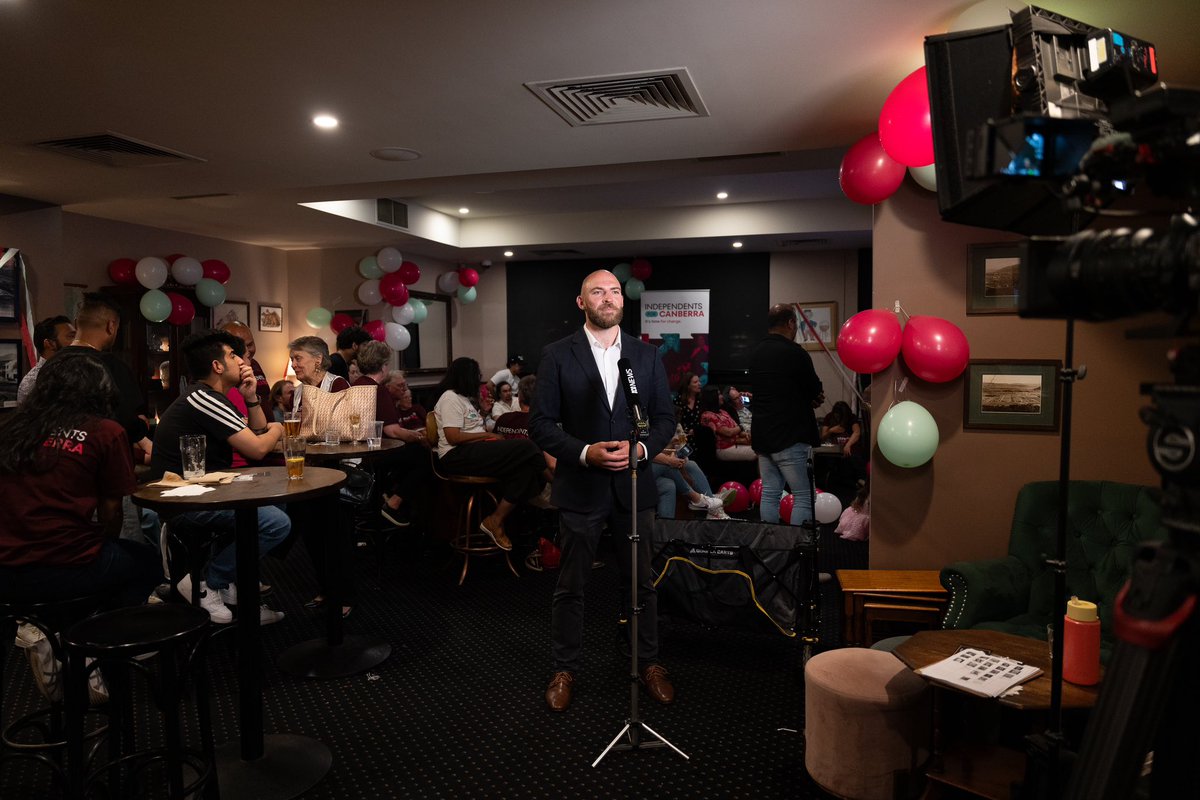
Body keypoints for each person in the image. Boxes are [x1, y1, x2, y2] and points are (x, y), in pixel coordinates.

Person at [529, 269, 676, 712]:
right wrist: (584, 452)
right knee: (571, 585)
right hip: (580, 487)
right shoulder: (557, 354)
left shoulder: (646, 355)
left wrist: (642, 450)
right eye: (598, 291)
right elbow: (541, 424)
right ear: (582, 302)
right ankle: (565, 668)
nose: (608, 297)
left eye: (614, 291)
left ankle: (648, 662)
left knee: (642, 584)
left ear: (622, 301)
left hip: (635, 487)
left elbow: (664, 419)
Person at [0, 352, 161, 701]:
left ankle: (48, 630)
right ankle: (93, 646)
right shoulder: (105, 432)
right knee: (146, 563)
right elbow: (111, 511)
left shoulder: (11, 428)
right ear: (100, 390)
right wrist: (100, 542)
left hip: (6, 570)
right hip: (66, 564)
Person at [149, 330, 288, 625]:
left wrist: (251, 398)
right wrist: (279, 428)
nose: (242, 361)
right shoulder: (203, 398)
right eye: (233, 355)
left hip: (208, 490)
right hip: (185, 501)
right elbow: (259, 447)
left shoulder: (213, 397)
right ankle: (207, 581)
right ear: (217, 366)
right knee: (276, 522)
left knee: (280, 502)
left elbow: (257, 432)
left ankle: (230, 588)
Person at [433, 357, 546, 550]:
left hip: (473, 450)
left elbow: (470, 428)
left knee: (526, 470)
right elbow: (453, 436)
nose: (480, 381)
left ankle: (495, 520)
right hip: (456, 456)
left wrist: (484, 414)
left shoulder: (464, 399)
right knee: (526, 447)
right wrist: (487, 434)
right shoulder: (449, 397)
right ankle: (553, 480)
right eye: (477, 376)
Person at [750, 304, 822, 526]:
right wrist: (812, 398)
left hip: (763, 435)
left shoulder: (756, 352)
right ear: (791, 323)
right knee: (804, 496)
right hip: (791, 435)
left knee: (770, 493)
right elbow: (814, 389)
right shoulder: (795, 353)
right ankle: (797, 545)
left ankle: (770, 543)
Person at [355, 340, 431, 528]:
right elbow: (393, 431)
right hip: (375, 454)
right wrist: (420, 437)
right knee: (424, 456)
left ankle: (386, 494)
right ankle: (393, 503)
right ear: (383, 366)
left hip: (359, 453)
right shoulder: (378, 389)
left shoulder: (356, 384)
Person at [16, 315, 74, 405]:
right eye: (71, 336)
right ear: (49, 344)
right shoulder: (33, 383)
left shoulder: (74, 371)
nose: (77, 341)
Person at [219, 320, 272, 416]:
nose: (248, 350)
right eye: (241, 346)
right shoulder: (227, 373)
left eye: (250, 344)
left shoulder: (254, 364)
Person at [289, 335, 350, 410]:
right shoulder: (296, 393)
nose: (293, 365)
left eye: (298, 359)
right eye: (292, 360)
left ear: (318, 359)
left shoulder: (338, 386)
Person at [699, 384, 755, 461]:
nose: (722, 396)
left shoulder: (722, 412)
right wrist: (741, 427)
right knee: (758, 452)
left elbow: (736, 427)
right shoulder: (707, 415)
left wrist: (745, 434)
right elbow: (729, 432)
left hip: (735, 444)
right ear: (712, 397)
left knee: (761, 447)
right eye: (719, 394)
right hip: (723, 448)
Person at [674, 371, 702, 448]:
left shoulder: (701, 400)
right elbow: (676, 424)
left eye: (699, 381)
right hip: (682, 437)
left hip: (699, 437)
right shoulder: (678, 401)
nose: (699, 384)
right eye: (695, 382)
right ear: (688, 385)